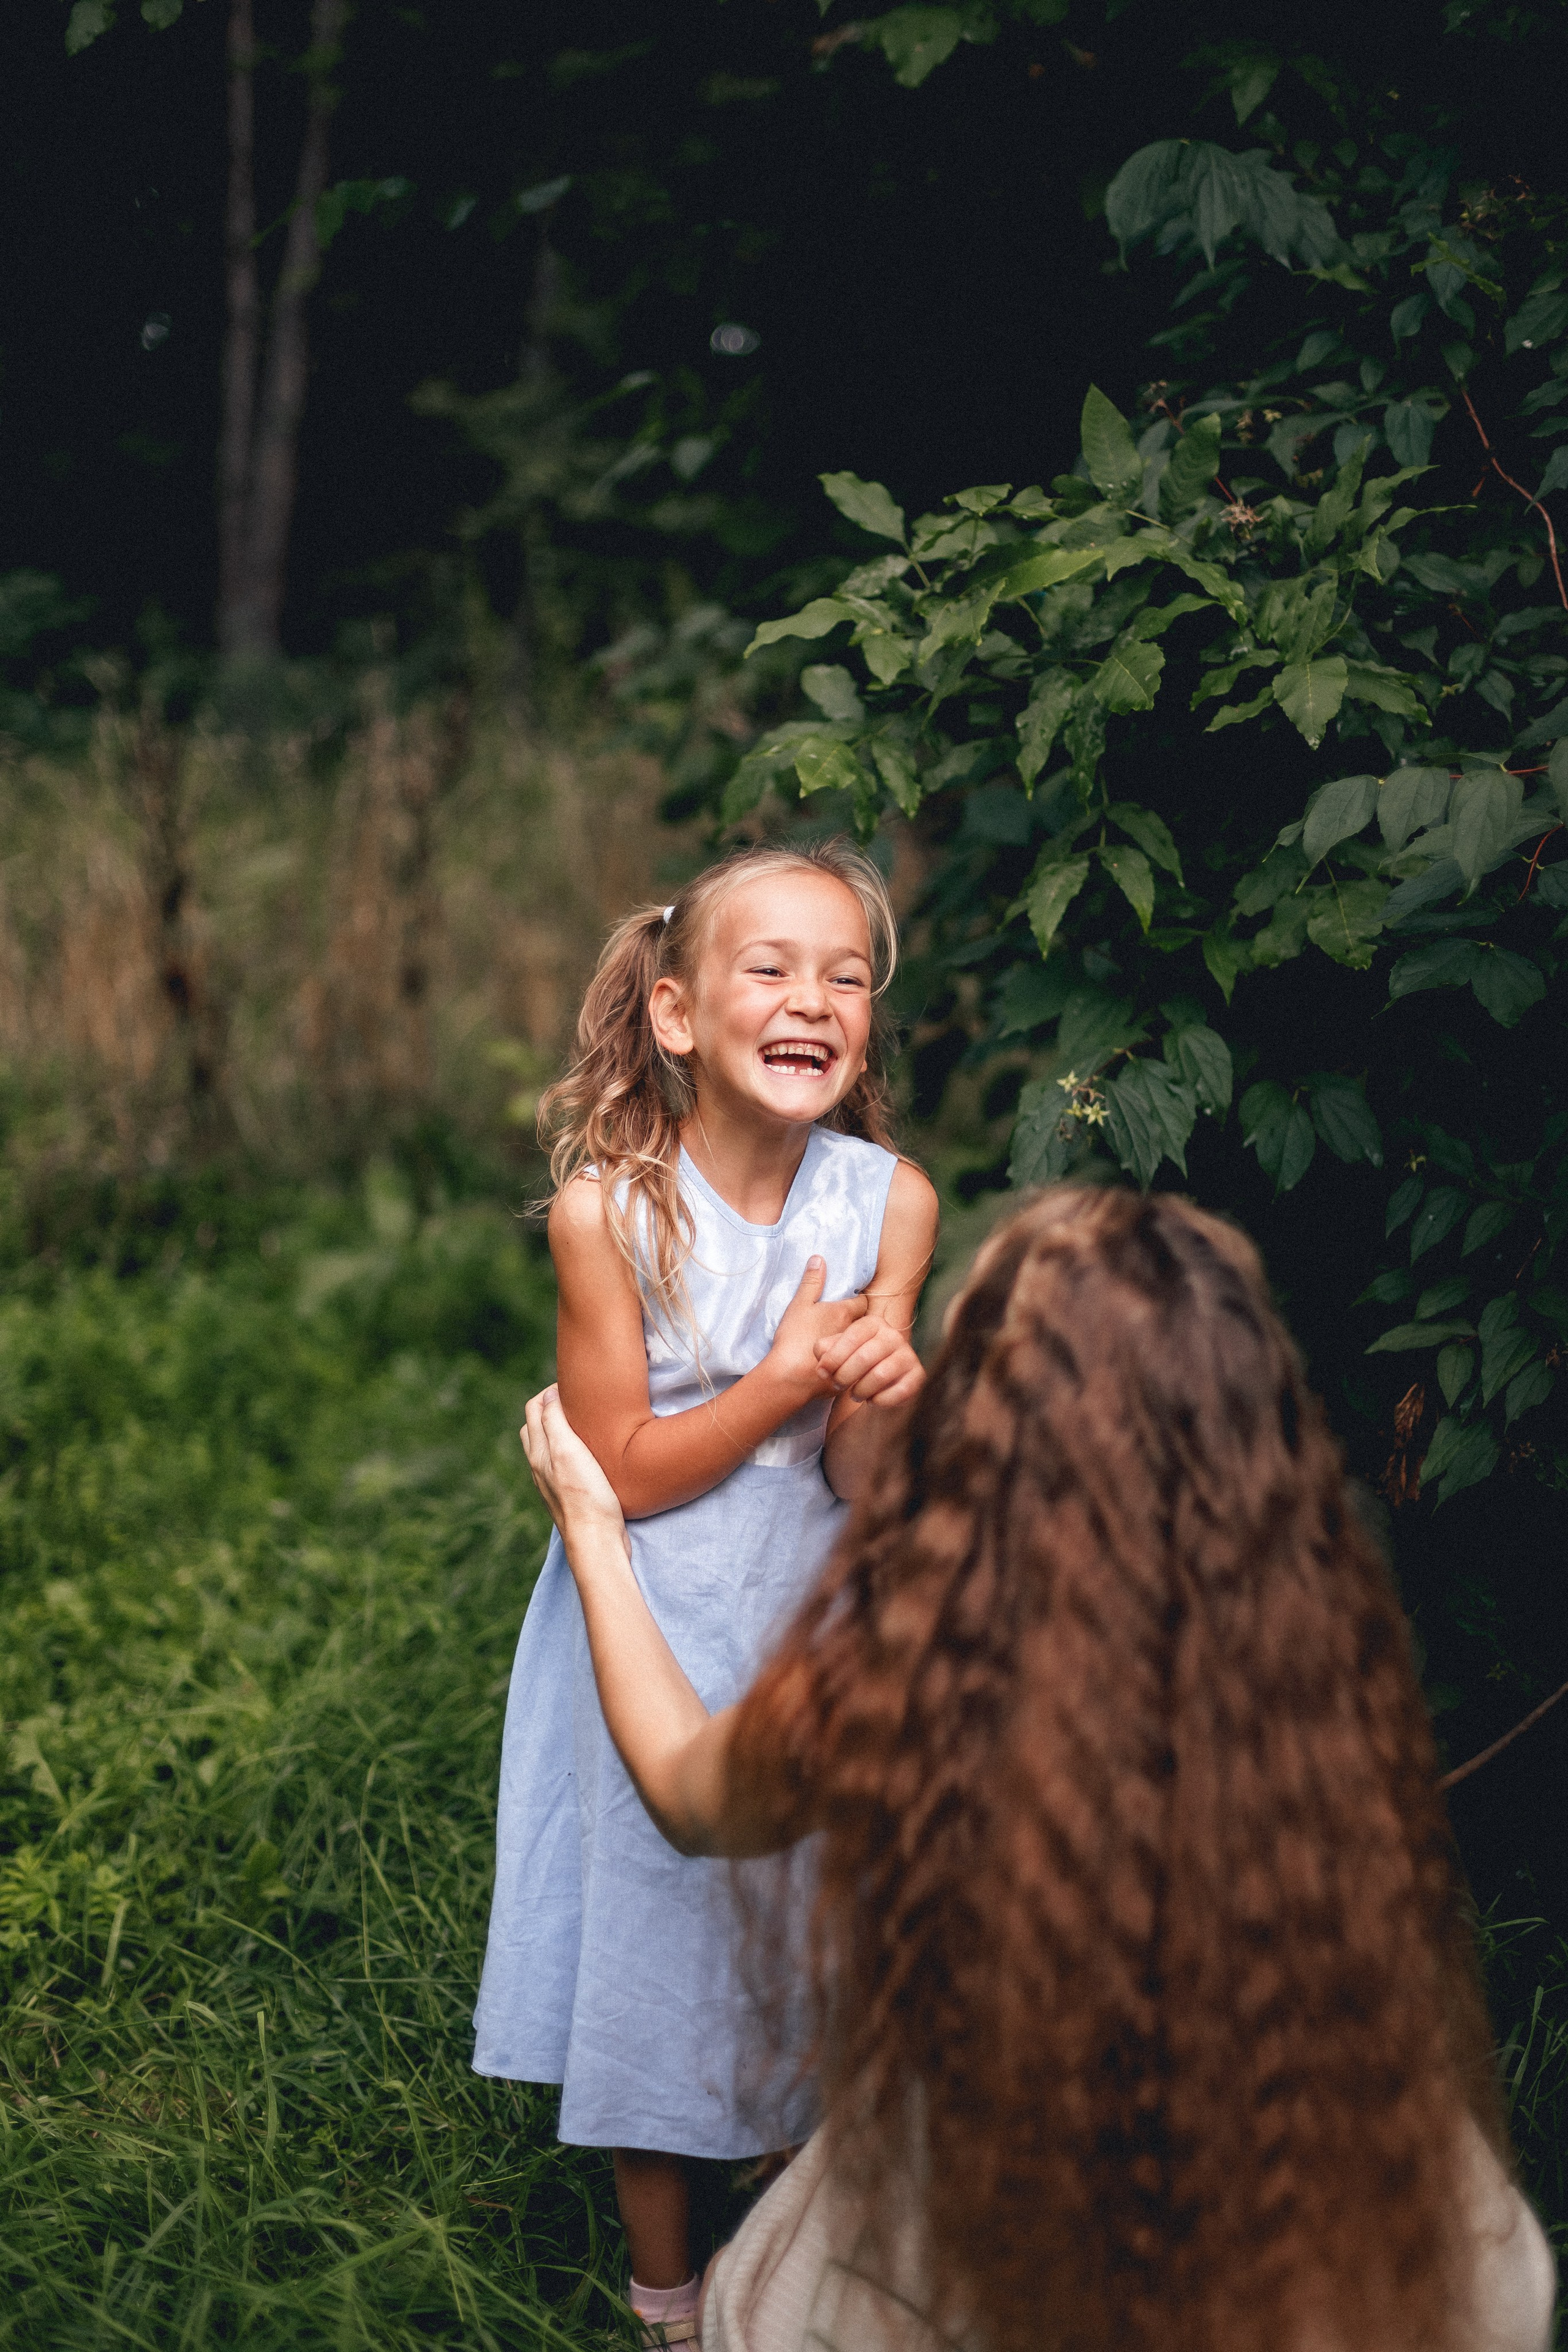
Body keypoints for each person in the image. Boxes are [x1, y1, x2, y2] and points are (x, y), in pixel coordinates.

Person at [519, 1185, 1558, 2352]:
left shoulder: (926, 1652)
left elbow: (687, 1793)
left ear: (999, 1418)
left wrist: (594, 1533)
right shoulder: (1309, 1653)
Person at [472, 840, 940, 2346]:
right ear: (676, 1016)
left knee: (816, 1906)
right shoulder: (610, 1216)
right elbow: (620, 1469)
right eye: (773, 969)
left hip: (811, 1606)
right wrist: (782, 1379)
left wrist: (880, 1386)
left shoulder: (891, 1203)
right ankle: (665, 2294)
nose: (814, 1000)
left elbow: (863, 1478)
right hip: (651, 1609)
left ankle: (800, 2212)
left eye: (847, 976)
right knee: (667, 1930)